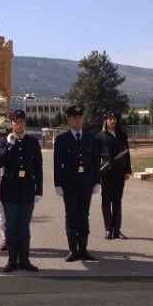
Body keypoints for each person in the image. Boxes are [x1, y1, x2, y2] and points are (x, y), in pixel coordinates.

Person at [0, 109, 43, 272]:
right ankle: (11, 261)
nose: (18, 124)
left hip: (27, 189)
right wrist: (10, 145)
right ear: (11, 124)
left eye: (21, 121)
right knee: (11, 227)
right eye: (15, 122)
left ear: (25, 123)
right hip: (9, 188)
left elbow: (38, 168)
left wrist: (39, 190)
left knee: (24, 226)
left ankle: (24, 260)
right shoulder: (4, 141)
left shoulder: (32, 142)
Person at [53, 104, 101, 262]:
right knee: (71, 215)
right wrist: (58, 184)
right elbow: (57, 164)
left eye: (80, 117)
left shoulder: (90, 138)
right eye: (74, 117)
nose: (78, 120)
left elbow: (95, 162)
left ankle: (84, 249)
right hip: (70, 183)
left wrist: (97, 181)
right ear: (68, 119)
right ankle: (73, 250)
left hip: (86, 182)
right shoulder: (61, 140)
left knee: (84, 216)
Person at [95, 110, 132, 240]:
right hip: (106, 172)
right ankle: (108, 229)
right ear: (106, 120)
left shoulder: (122, 135)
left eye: (114, 118)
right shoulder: (100, 136)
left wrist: (128, 170)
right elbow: (95, 156)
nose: (112, 121)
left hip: (119, 171)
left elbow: (127, 154)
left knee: (117, 201)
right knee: (106, 201)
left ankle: (117, 230)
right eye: (110, 118)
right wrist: (96, 173)